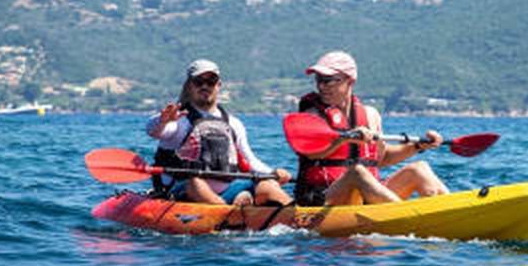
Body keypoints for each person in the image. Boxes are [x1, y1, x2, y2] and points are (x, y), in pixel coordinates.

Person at [294, 51, 448, 206]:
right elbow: (311, 155)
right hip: (324, 199)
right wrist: (344, 138)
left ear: (350, 81)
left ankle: (448, 211)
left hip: (365, 200)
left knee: (420, 169)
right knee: (357, 173)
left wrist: (417, 146)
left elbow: (381, 158)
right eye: (319, 79)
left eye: (329, 81)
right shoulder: (311, 115)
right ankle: (409, 216)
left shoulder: (370, 115)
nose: (321, 86)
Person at [146, 59, 292, 206]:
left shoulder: (233, 123)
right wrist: (162, 120)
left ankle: (298, 215)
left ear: (218, 85)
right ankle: (230, 210)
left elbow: (250, 160)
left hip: (228, 189)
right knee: (195, 182)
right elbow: (153, 131)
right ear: (189, 86)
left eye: (211, 81)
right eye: (198, 82)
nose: (205, 86)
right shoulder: (179, 121)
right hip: (183, 192)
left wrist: (273, 173)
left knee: (268, 184)